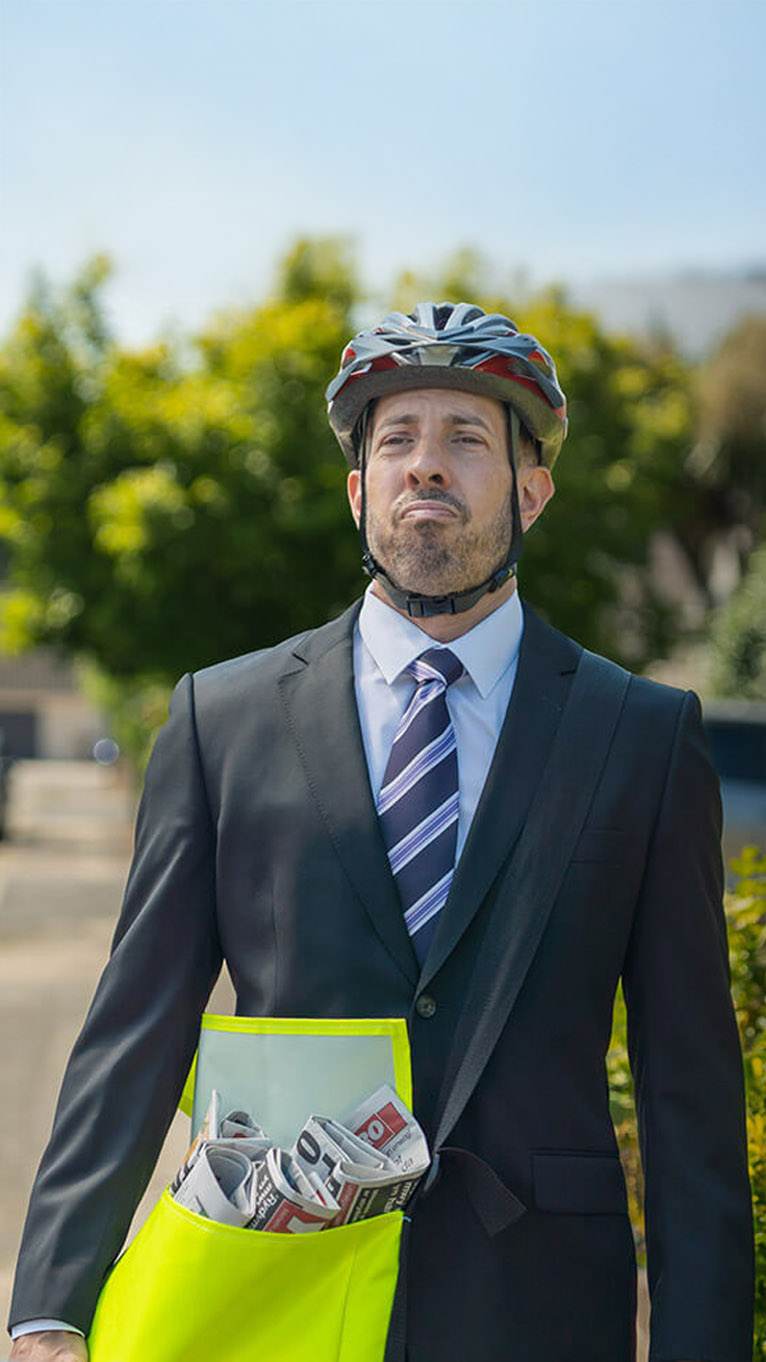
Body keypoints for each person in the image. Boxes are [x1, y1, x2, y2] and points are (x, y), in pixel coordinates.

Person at [8, 303, 753, 1361]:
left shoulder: (639, 736)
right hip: (270, 1289)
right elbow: (134, 1035)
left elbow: (690, 1099)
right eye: (396, 440)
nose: (425, 467)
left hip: (538, 1310)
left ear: (529, 492)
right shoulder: (221, 722)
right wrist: (50, 1305)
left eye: (465, 439)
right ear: (360, 493)